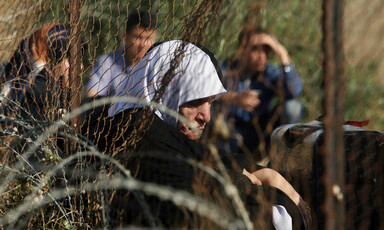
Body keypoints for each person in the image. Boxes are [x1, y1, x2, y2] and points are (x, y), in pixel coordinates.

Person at [85, 40, 311, 229]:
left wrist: (264, 175)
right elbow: (216, 211)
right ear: (166, 91)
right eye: (195, 101)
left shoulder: (158, 122)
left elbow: (214, 160)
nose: (207, 116)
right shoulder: (141, 133)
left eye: (211, 103)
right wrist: (248, 184)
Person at [220, 26, 303, 160]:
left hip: (260, 133)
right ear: (241, 50)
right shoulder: (226, 69)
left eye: (266, 50)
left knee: (292, 106)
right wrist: (233, 98)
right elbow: (203, 94)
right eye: (255, 49)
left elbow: (294, 92)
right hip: (229, 134)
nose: (262, 56)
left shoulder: (269, 73)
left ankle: (286, 160)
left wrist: (282, 53)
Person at [85, 10, 157, 98]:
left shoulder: (158, 65)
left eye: (148, 38)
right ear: (125, 36)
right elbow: (92, 95)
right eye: (138, 37)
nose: (143, 44)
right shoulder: (107, 62)